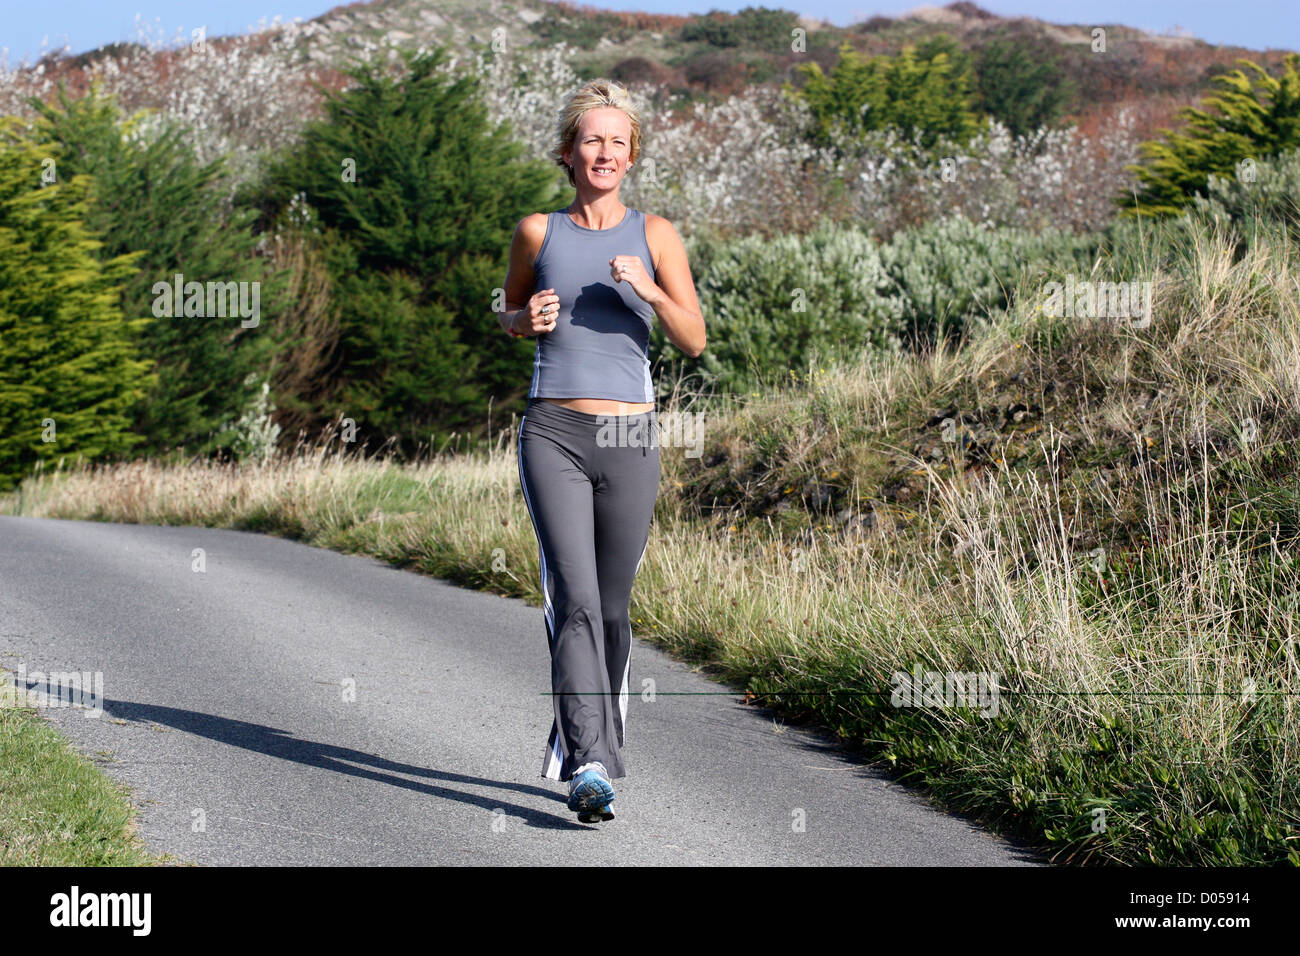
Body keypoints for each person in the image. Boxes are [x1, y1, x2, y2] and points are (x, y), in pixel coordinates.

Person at [498, 79, 706, 823]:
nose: (605, 152)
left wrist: (649, 290)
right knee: (575, 599)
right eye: (592, 139)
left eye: (619, 141)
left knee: (613, 609)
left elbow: (694, 338)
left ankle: (586, 741)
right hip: (553, 427)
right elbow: (507, 310)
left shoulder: (657, 234)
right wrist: (525, 320)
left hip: (630, 433)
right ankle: (589, 761)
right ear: (567, 152)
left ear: (633, 154)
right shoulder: (537, 232)